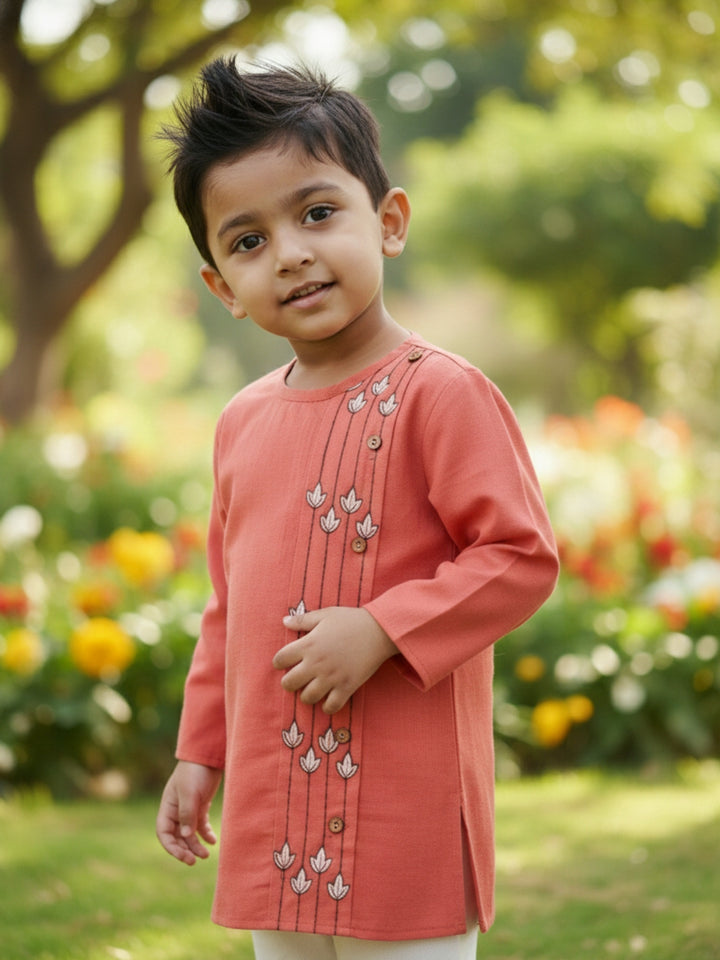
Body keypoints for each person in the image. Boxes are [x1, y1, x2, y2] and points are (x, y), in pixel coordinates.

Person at [155, 56, 559, 960]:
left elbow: (519, 556)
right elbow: (228, 608)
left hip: (405, 809)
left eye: (317, 213)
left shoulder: (441, 394)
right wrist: (200, 750)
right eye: (247, 241)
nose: (290, 252)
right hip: (275, 811)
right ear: (222, 287)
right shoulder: (242, 422)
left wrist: (381, 627)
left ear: (389, 222)